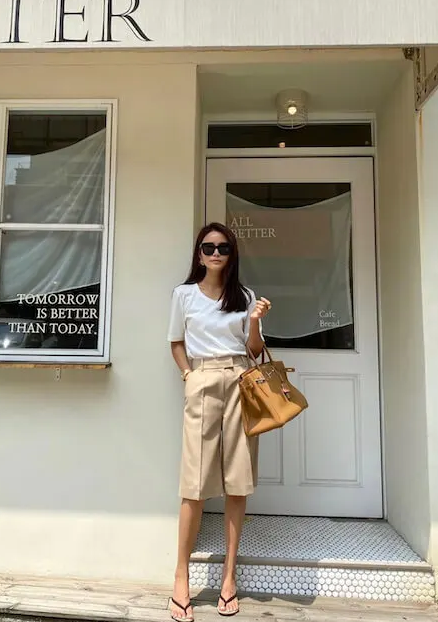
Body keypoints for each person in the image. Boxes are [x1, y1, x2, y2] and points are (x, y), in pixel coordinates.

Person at [167, 222, 271, 621]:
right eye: (208, 247)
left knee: (237, 481)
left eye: (223, 248)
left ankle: (229, 577)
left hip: (242, 379)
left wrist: (256, 319)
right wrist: (188, 375)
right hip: (203, 380)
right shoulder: (184, 295)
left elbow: (254, 349)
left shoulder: (243, 296)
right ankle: (181, 577)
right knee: (193, 484)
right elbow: (176, 342)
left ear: (232, 254)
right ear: (198, 253)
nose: (215, 253)